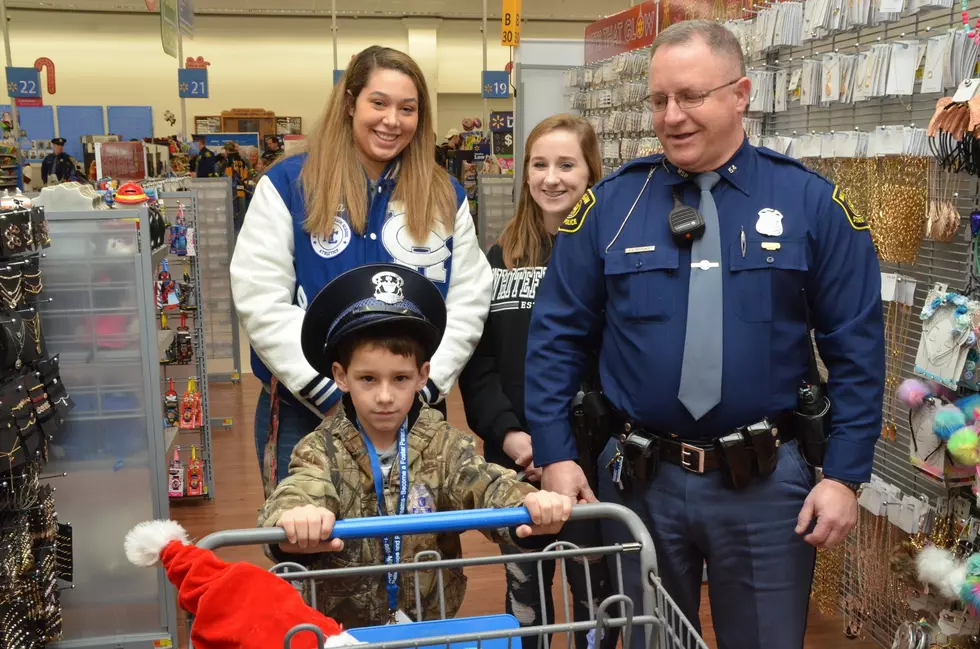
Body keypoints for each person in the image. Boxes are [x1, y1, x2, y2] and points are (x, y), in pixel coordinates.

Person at [524, 20, 885, 649]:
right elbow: (556, 336)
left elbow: (856, 348)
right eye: (659, 99)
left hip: (768, 489)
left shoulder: (810, 204)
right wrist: (556, 454)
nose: (672, 116)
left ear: (741, 92)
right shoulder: (611, 205)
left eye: (690, 97)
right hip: (640, 484)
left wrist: (845, 476)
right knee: (642, 641)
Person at [230, 45, 492, 497]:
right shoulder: (290, 186)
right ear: (351, 103)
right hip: (307, 411)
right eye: (379, 103)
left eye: (407, 109)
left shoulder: (445, 195)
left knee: (419, 547)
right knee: (312, 548)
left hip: (414, 412)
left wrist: (419, 390)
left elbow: (468, 296)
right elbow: (260, 297)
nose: (392, 120)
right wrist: (334, 394)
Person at [258, 262, 572, 629]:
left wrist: (527, 502)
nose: (385, 396)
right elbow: (301, 488)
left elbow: (485, 483)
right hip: (342, 633)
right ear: (341, 376)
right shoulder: (320, 449)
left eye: (401, 378)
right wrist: (296, 515)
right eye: (368, 379)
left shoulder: (443, 445)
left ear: (423, 374)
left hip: (428, 626)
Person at [458, 114, 615, 649]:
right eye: (539, 164)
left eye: (567, 164)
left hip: (589, 459)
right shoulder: (497, 258)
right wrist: (510, 435)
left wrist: (563, 447)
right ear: (524, 174)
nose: (552, 178)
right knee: (527, 596)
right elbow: (478, 364)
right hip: (516, 461)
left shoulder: (611, 254)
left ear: (591, 172)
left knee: (595, 592)